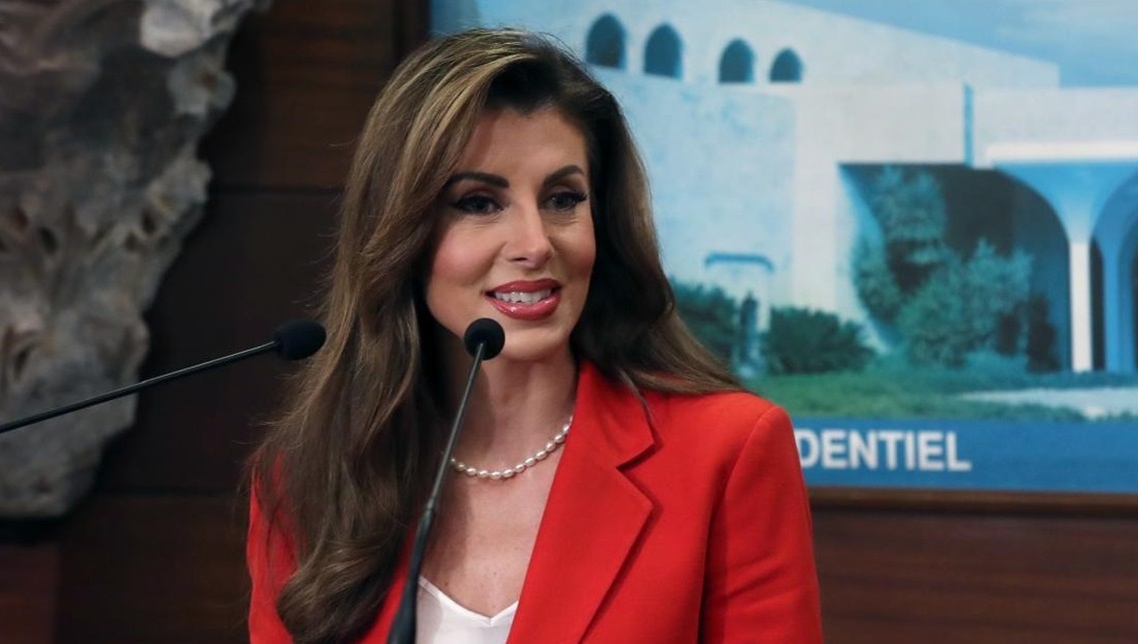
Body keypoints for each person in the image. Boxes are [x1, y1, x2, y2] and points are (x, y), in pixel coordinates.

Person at [247, 28, 821, 644]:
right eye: (478, 203)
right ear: (399, 233)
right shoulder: (307, 477)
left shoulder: (726, 451)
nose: (535, 244)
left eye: (562, 198)